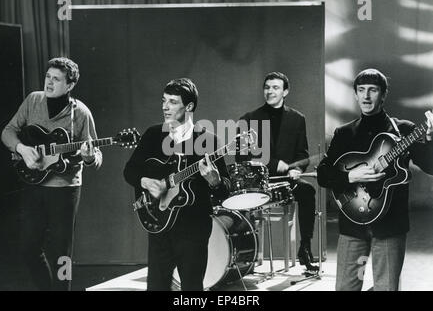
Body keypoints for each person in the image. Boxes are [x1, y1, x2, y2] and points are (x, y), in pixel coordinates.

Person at [317, 68, 433, 291]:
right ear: (356, 94)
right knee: (345, 288)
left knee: (386, 288)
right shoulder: (344, 133)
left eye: (373, 90)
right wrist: (350, 175)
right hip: (352, 224)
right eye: (361, 90)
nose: (366, 96)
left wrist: (429, 139)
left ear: (383, 94)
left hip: (390, 225)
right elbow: (323, 174)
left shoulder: (404, 130)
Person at [1, 57, 102, 290]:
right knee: (28, 248)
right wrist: (22, 149)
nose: (49, 82)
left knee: (61, 255)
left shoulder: (81, 114)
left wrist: (88, 156)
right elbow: (8, 131)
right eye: (48, 76)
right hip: (34, 184)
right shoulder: (33, 100)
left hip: (64, 190)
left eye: (56, 79)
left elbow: (96, 157)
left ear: (70, 85)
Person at [123, 78, 230, 291]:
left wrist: (215, 182)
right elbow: (130, 171)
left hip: (193, 226)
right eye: (164, 100)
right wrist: (145, 181)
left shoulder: (208, 140)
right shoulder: (154, 135)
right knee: (156, 287)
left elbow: (225, 189)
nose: (165, 106)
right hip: (158, 222)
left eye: (172, 102)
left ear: (189, 106)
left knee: (191, 289)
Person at [237, 71, 319, 271]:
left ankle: (305, 248)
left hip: (286, 182)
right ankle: (247, 254)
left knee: (308, 191)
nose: (270, 91)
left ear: (285, 92)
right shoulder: (249, 119)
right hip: (257, 182)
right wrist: (274, 164)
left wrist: (297, 169)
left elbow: (302, 152)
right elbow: (242, 156)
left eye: (275, 87)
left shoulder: (297, 118)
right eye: (267, 87)